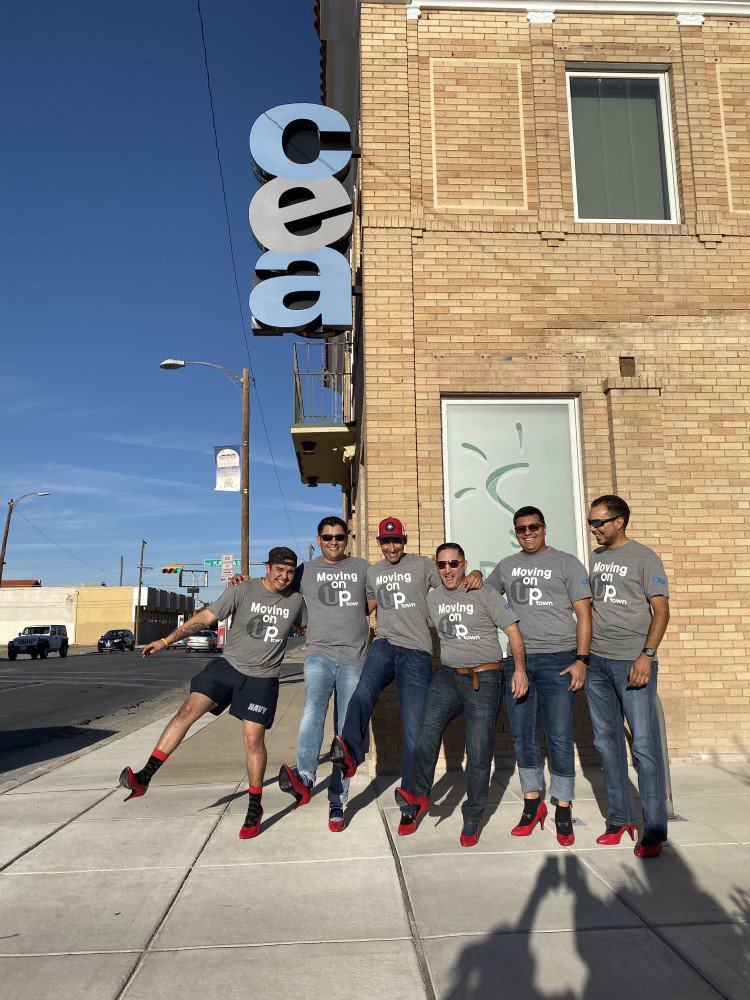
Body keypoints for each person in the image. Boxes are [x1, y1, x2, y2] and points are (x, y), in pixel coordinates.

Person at [118, 547, 303, 840]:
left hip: (262, 677)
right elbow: (206, 617)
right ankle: (145, 777)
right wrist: (166, 641)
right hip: (229, 665)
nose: (284, 576)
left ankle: (255, 806)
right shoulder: (243, 590)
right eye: (279, 569)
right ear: (267, 568)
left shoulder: (297, 598)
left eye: (290, 571)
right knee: (187, 710)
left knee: (253, 739)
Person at [330, 516, 483, 833]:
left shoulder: (423, 565)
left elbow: (450, 582)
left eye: (396, 540)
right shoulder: (373, 572)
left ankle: (414, 796)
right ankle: (350, 753)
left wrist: (475, 574)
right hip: (384, 644)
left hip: (416, 651)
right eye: (386, 541)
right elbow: (367, 605)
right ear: (379, 543)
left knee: (415, 727)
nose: (391, 546)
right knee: (363, 692)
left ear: (404, 540)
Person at [395, 543, 526, 846]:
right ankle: (416, 796)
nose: (448, 570)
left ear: (464, 565)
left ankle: (473, 816)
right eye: (442, 565)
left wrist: (519, 670)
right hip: (448, 676)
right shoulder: (433, 599)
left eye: (454, 563)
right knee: (425, 732)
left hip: (485, 677)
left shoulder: (483, 593)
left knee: (478, 751)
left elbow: (513, 631)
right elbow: (412, 622)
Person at [486, 506, 592, 846]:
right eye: (521, 529)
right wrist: (473, 574)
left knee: (560, 735)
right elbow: (484, 599)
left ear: (544, 528)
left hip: (559, 660)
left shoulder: (567, 563)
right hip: (519, 662)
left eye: (533, 527)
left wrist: (582, 660)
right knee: (522, 736)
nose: (527, 532)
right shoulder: (506, 566)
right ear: (515, 532)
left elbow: (584, 614)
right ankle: (533, 802)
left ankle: (562, 806)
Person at [276, 516, 374, 832]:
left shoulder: (361, 567)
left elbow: (374, 598)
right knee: (311, 714)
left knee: (344, 734)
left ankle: (336, 801)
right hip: (318, 654)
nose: (334, 542)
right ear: (318, 539)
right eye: (328, 537)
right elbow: (276, 585)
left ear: (347, 539)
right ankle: (305, 777)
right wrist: (243, 582)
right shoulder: (305, 571)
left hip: (353, 659)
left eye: (339, 537)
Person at [586, 494, 670, 859]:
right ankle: (619, 819)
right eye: (590, 523)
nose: (593, 529)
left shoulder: (644, 557)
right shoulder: (596, 557)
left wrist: (646, 656)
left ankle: (652, 831)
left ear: (618, 521)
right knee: (607, 745)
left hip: (632, 663)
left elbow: (661, 611)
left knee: (645, 748)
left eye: (598, 523)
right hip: (597, 664)